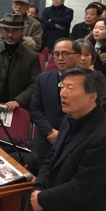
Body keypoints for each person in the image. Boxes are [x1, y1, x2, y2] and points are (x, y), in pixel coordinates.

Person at [30, 69, 106, 211]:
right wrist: (38, 188)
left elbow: (82, 186)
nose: (62, 93)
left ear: (92, 96)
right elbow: (51, 157)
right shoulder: (70, 119)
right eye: (62, 86)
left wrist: (42, 199)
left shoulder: (105, 135)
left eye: (70, 88)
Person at [29, 38, 81, 172]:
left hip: (73, 143)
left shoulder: (87, 81)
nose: (60, 58)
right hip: (46, 141)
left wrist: (62, 135)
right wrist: (50, 131)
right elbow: (35, 109)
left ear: (78, 56)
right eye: (56, 54)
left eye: (65, 54)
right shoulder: (43, 78)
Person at [0, 14, 42, 111]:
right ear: (2, 30)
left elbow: (35, 83)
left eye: (15, 30)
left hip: (17, 108)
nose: (10, 35)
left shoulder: (31, 56)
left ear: (22, 31)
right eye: (6, 30)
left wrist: (19, 100)